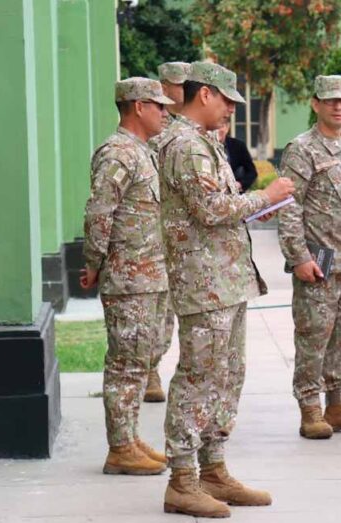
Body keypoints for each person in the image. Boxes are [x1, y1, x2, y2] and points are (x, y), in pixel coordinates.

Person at [156, 61, 295, 517]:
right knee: (198, 377)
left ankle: (213, 469)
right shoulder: (184, 144)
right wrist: (265, 198)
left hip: (226, 278)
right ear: (205, 95)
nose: (232, 111)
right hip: (204, 282)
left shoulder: (203, 143)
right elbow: (211, 209)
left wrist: (255, 209)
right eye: (228, 101)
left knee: (227, 375)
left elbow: (224, 206)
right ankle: (182, 480)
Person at [278, 76, 341, 439]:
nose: (338, 106)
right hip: (319, 259)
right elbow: (289, 206)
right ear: (316, 103)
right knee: (314, 335)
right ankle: (310, 408)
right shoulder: (302, 149)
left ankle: (339, 403)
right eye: (330, 100)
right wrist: (299, 256)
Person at [81, 78, 173, 476]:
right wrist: (93, 262)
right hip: (128, 276)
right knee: (126, 361)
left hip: (150, 274)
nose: (166, 113)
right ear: (138, 107)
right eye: (160, 106)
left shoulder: (143, 152)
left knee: (140, 359)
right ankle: (119, 448)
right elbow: (100, 213)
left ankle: (130, 437)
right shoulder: (118, 153)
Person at [143, 60, 191, 403]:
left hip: (181, 233)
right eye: (176, 84)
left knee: (171, 308)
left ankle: (154, 362)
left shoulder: (193, 126)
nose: (180, 90)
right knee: (153, 305)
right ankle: (148, 370)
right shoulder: (155, 126)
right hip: (151, 230)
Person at [216, 124, 258, 190]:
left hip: (233, 194)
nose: (217, 130)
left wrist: (240, 184)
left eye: (220, 126)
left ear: (227, 128)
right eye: (214, 127)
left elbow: (252, 172)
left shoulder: (238, 145)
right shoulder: (203, 146)